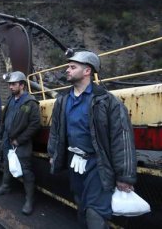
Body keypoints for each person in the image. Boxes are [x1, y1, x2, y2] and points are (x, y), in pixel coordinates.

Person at [47, 51, 137, 228]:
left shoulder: (107, 101)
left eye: (73, 67)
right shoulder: (63, 101)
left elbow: (122, 138)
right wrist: (53, 153)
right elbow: (56, 130)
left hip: (98, 164)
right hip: (75, 163)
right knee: (81, 204)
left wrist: (125, 176)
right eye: (68, 67)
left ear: (87, 71)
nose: (67, 70)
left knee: (95, 212)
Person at [0, 71, 41, 215]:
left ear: (22, 85)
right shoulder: (11, 100)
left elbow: (35, 125)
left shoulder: (30, 102)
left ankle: (29, 200)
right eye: (10, 84)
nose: (10, 87)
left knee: (26, 170)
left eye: (13, 84)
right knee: (6, 163)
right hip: (7, 139)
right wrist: (1, 135)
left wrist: (19, 140)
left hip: (21, 142)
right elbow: (5, 119)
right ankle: (5, 186)